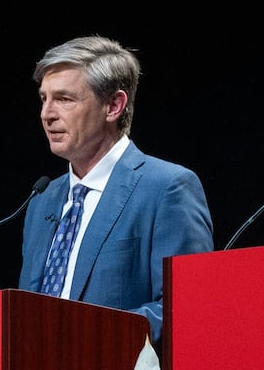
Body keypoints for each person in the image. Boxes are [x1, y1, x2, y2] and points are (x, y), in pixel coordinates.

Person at [19, 35, 213, 344]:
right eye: (44, 98)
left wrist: (88, 337)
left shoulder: (166, 188)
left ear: (113, 106)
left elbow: (187, 308)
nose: (47, 113)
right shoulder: (43, 200)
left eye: (65, 99)